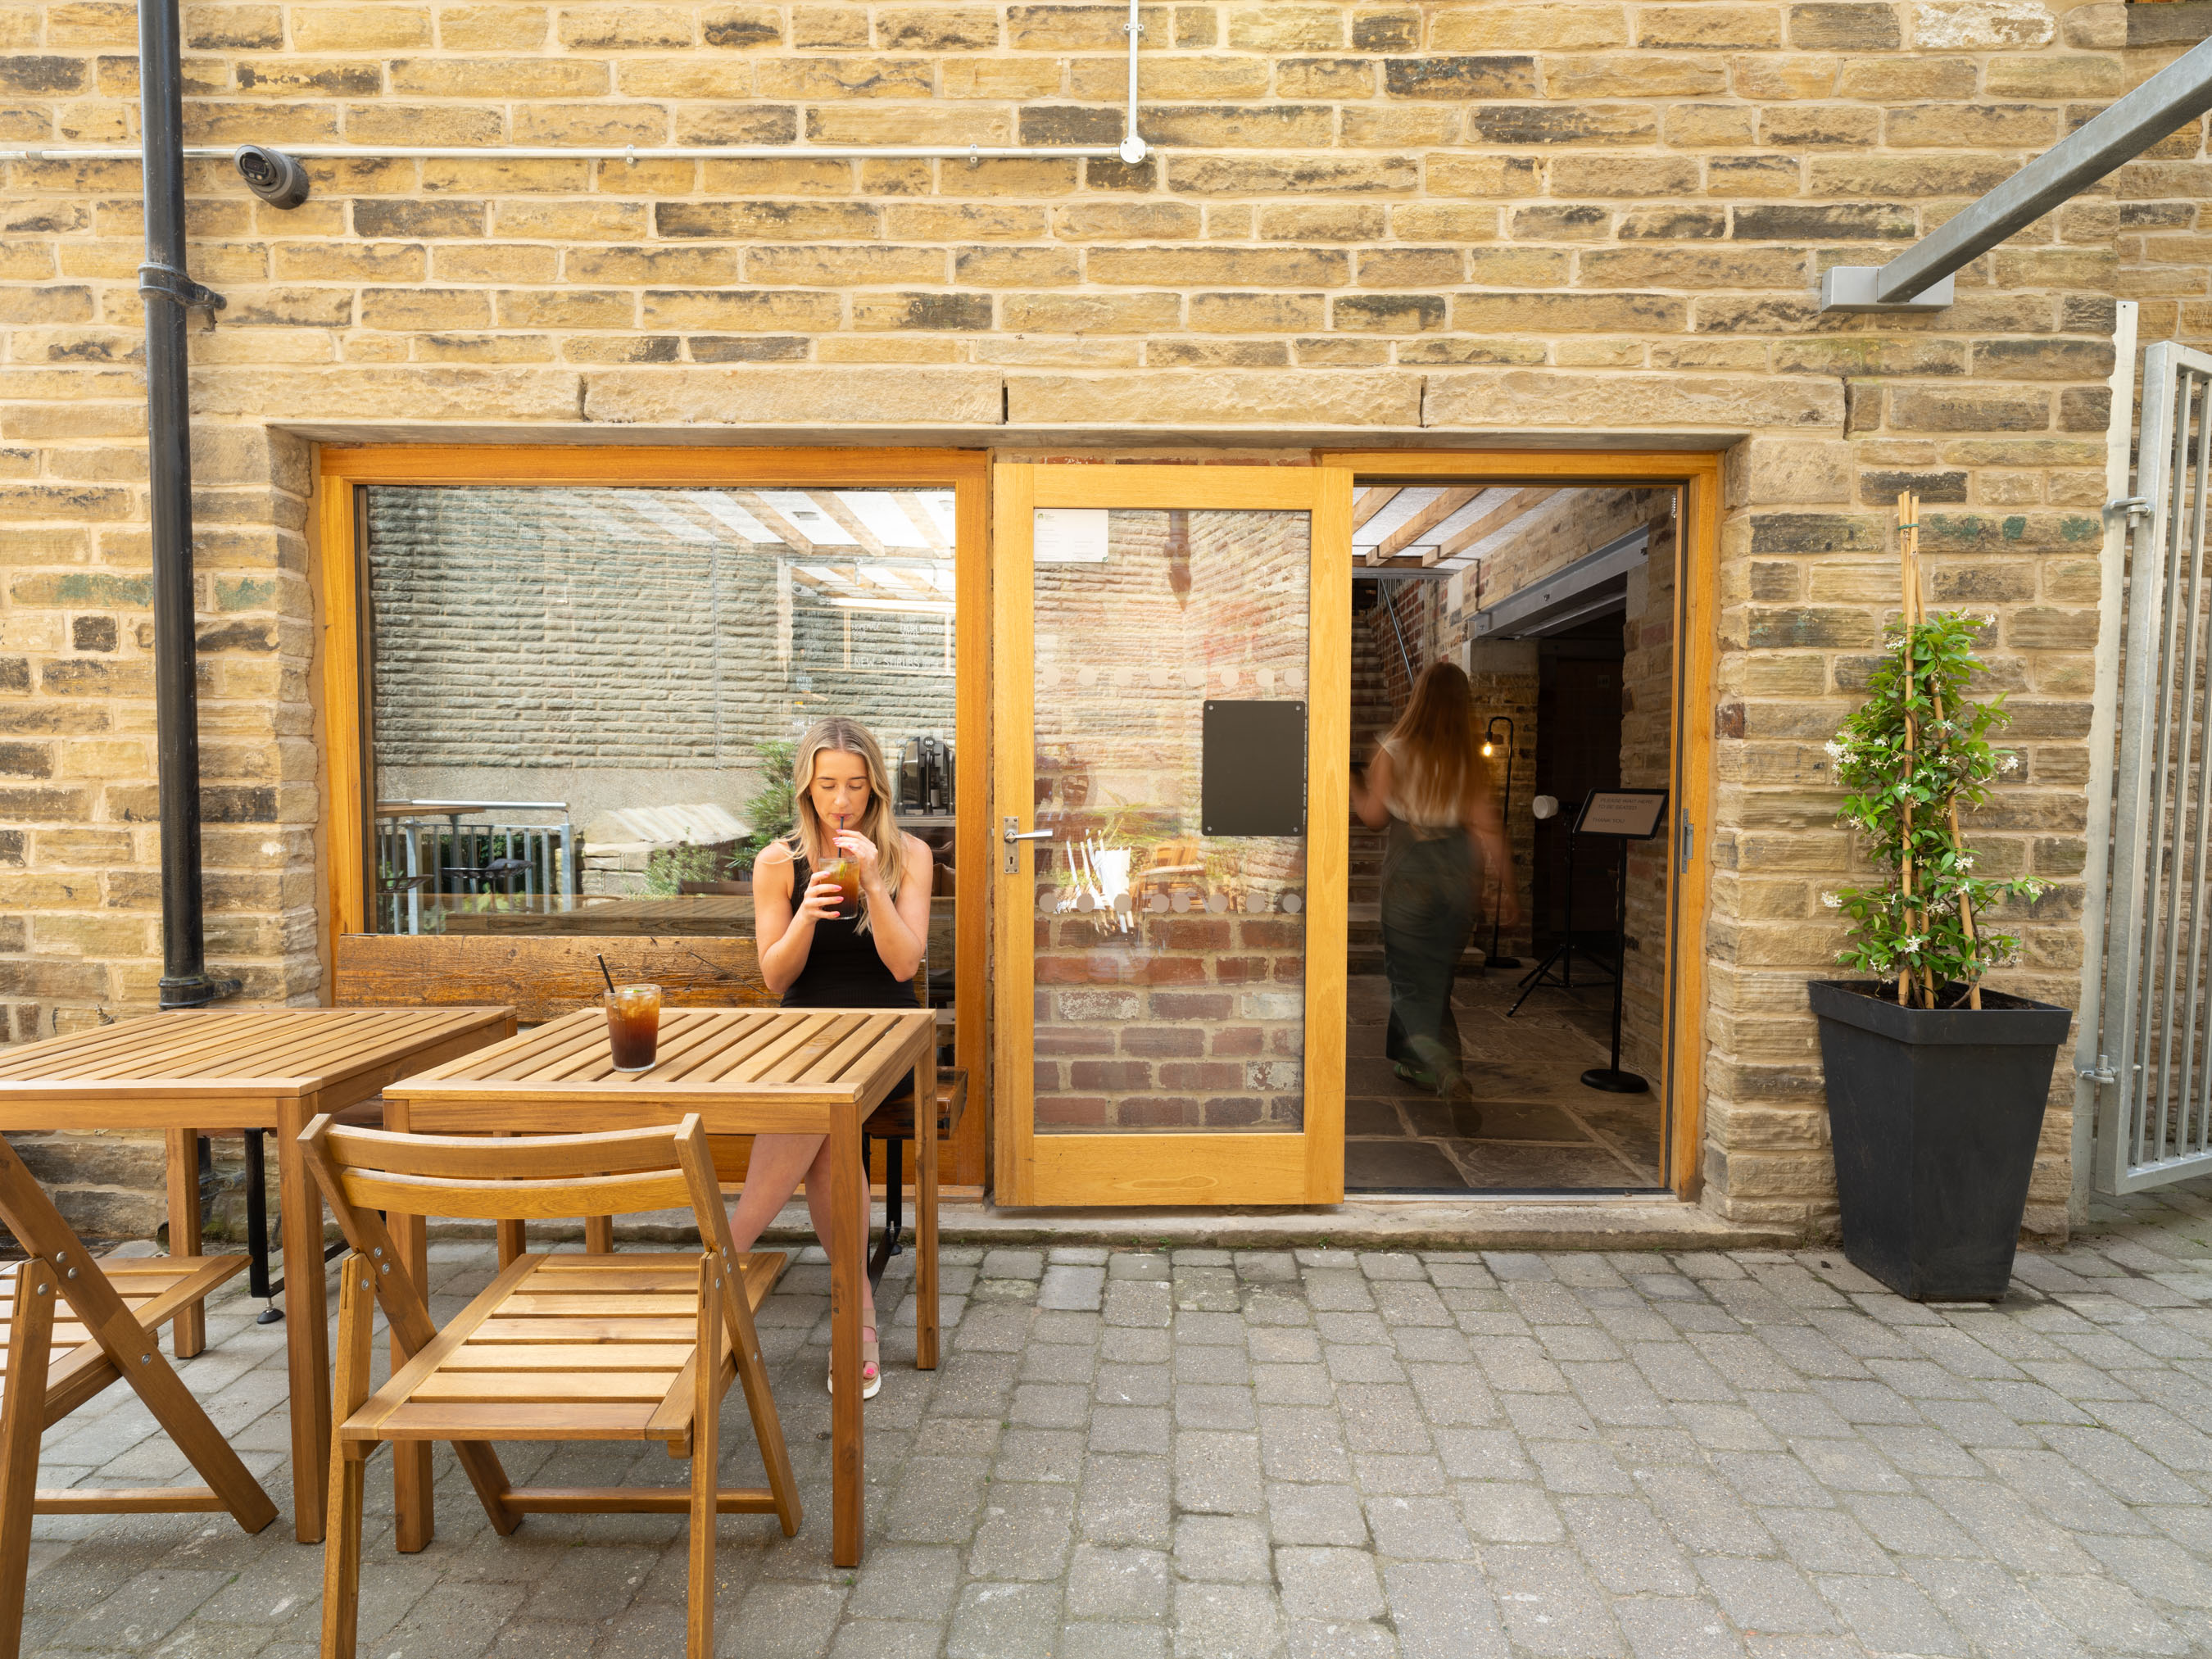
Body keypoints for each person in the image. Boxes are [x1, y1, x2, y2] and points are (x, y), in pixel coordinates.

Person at [728, 717, 932, 1401]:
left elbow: (905, 964)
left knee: (820, 1105)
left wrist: (874, 886)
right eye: (826, 786)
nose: (840, 800)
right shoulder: (777, 862)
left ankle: (717, 1267)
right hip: (808, 1038)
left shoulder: (908, 855)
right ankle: (859, 1316)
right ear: (806, 790)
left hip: (885, 1034)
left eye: (854, 784)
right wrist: (807, 915)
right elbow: (776, 979)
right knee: (824, 1127)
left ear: (874, 787)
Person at [1351, 660, 1519, 1112]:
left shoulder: (1394, 749)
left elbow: (1373, 818)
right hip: (1458, 872)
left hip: (1411, 870)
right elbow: (1489, 830)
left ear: (1419, 696)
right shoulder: (1465, 759)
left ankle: (1445, 1070)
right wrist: (1508, 890)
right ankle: (1414, 1061)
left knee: (1407, 980)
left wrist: (1350, 786)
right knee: (1436, 978)